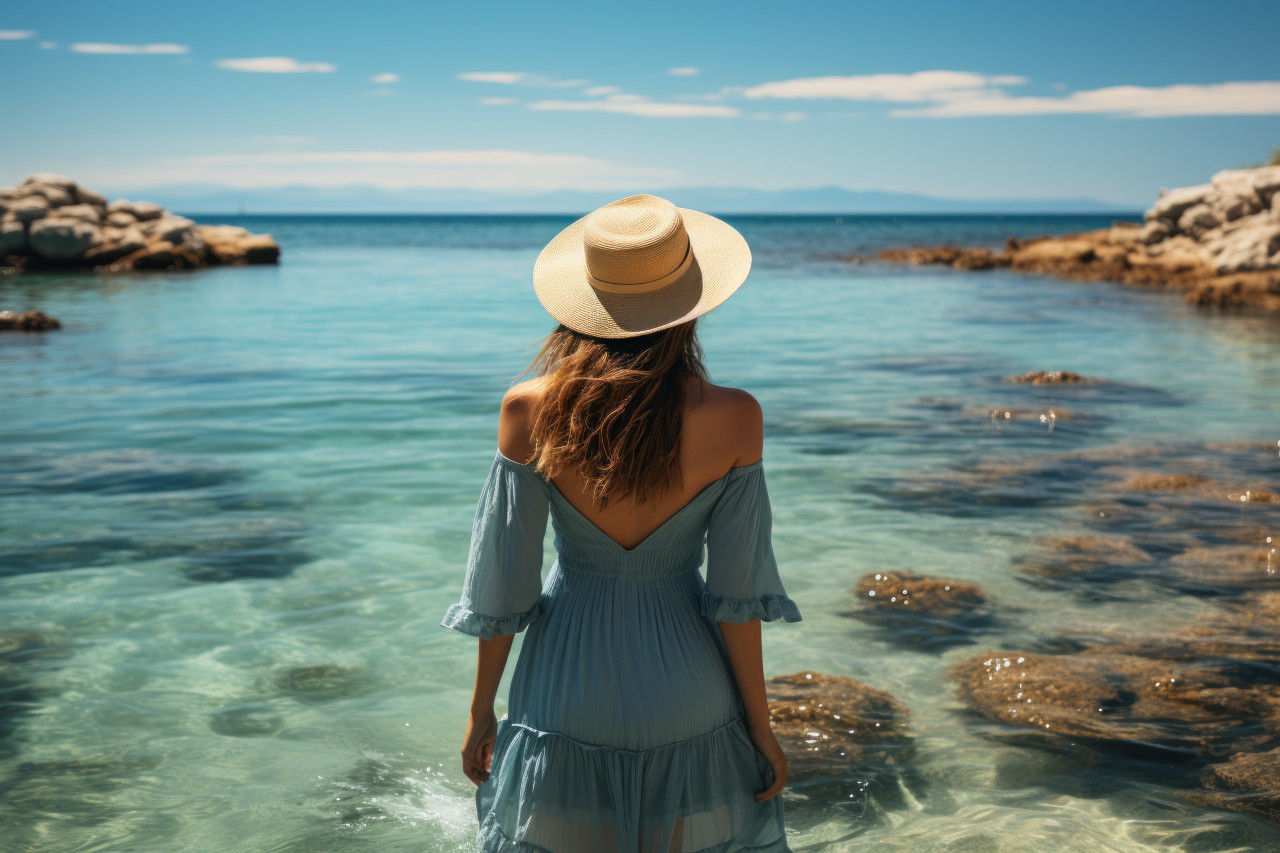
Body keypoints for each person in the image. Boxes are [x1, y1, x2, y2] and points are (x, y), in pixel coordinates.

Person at [441, 194, 803, 852]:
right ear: (691, 303)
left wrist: (478, 711)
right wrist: (761, 725)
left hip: (564, 685)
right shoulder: (736, 416)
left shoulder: (528, 410)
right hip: (685, 686)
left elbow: (502, 588)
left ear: (587, 301)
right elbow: (736, 599)